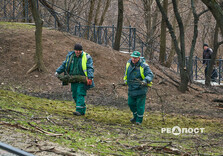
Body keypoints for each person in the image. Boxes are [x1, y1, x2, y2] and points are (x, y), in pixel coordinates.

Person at [55, 44, 94, 116]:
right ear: (74, 50)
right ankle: (82, 109)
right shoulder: (70, 57)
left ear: (81, 50)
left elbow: (90, 68)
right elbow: (64, 65)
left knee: (80, 93)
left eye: (80, 50)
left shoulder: (87, 57)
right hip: (73, 79)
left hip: (83, 79)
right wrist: (58, 71)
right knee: (75, 94)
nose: (78, 52)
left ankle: (79, 111)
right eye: (77, 50)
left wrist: (90, 77)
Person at [123, 51, 154, 125]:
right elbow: (126, 73)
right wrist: (125, 80)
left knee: (140, 105)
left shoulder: (144, 66)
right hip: (131, 87)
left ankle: (139, 120)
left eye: (135, 58)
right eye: (132, 57)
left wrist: (145, 81)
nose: (133, 59)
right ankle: (135, 116)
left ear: (139, 58)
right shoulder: (128, 63)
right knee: (131, 103)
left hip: (141, 88)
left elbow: (150, 75)